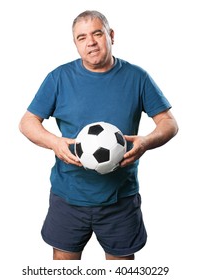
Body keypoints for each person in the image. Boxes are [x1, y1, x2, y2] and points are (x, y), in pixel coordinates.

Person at [19, 10, 178, 260]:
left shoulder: (137, 77)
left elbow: (169, 122)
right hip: (68, 195)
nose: (90, 42)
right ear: (76, 44)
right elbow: (28, 122)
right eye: (81, 38)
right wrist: (54, 142)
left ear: (110, 35)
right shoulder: (59, 78)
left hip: (121, 199)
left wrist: (146, 141)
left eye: (97, 33)